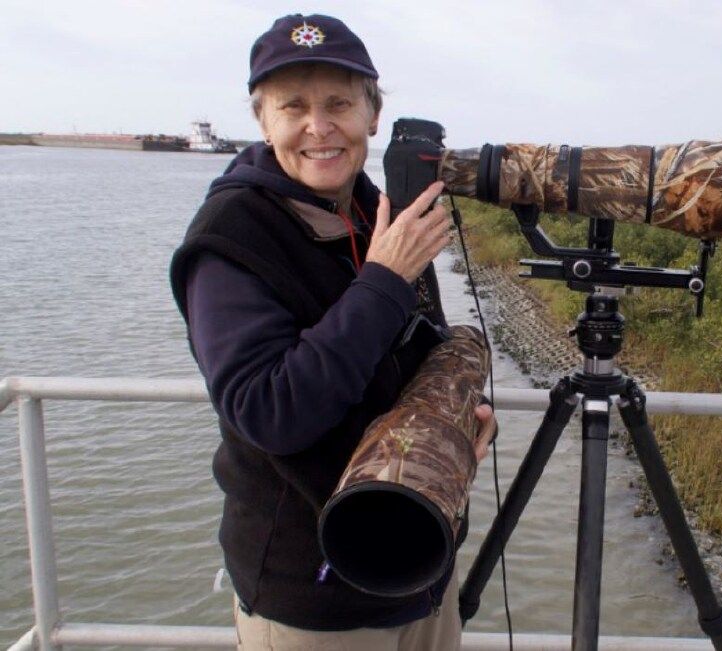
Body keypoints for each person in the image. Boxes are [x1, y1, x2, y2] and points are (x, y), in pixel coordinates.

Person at [169, 13, 496, 650]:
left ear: (374, 115)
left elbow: (413, 353)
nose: (319, 127)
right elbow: (268, 411)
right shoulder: (230, 237)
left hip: (420, 562)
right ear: (262, 120)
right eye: (294, 106)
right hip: (313, 595)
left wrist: (455, 429)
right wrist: (383, 277)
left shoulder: (375, 209)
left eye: (340, 103)